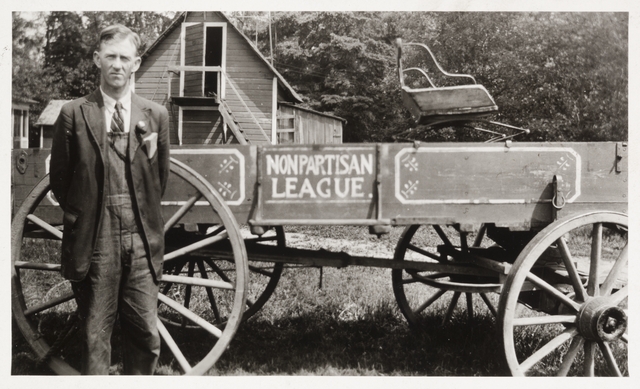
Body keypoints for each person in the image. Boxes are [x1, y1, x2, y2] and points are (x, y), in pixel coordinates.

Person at [51, 24, 170, 375]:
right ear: (96, 60)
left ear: (136, 63)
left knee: (145, 333)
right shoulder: (74, 113)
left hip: (141, 236)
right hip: (95, 236)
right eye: (110, 57)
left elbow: (158, 179)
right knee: (95, 334)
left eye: (124, 58)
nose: (117, 65)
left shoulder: (156, 116)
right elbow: (60, 180)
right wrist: (89, 211)